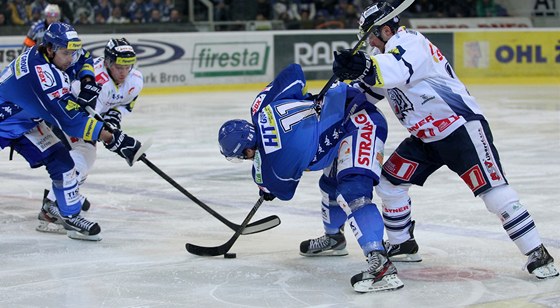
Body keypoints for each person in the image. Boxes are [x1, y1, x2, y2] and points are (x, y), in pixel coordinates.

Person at [331, 1, 559, 279]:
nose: (369, 43)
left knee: (491, 190)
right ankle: (402, 242)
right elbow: (368, 90)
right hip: (426, 139)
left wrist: (362, 65)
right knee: (390, 182)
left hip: (459, 128)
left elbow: (394, 69)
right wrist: (336, 92)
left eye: (370, 36)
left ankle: (537, 252)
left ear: (386, 30)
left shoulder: (410, 42)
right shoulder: (385, 55)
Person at [218, 63, 403, 292]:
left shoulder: (272, 168)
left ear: (247, 150)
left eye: (242, 156)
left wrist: (266, 188)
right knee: (330, 186)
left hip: (361, 123)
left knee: (353, 192)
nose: (246, 160)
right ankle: (334, 239)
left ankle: (381, 266)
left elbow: (284, 192)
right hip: (343, 110)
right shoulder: (260, 108)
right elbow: (294, 72)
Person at [0, 22, 147, 241]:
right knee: (76, 151)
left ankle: (67, 214)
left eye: (72, 51)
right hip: (5, 120)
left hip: (26, 121)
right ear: (50, 49)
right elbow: (71, 121)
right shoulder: (44, 75)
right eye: (66, 53)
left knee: (63, 163)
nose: (71, 57)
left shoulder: (53, 53)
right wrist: (112, 138)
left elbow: (85, 58)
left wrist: (88, 80)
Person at [42, 38, 143, 212]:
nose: (123, 72)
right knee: (85, 154)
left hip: (78, 115)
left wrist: (113, 119)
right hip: (64, 113)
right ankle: (53, 204)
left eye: (128, 67)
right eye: (119, 67)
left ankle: (64, 194)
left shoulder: (136, 80)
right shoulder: (98, 81)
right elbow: (86, 121)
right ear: (108, 62)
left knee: (84, 157)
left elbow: (122, 105)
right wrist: (113, 139)